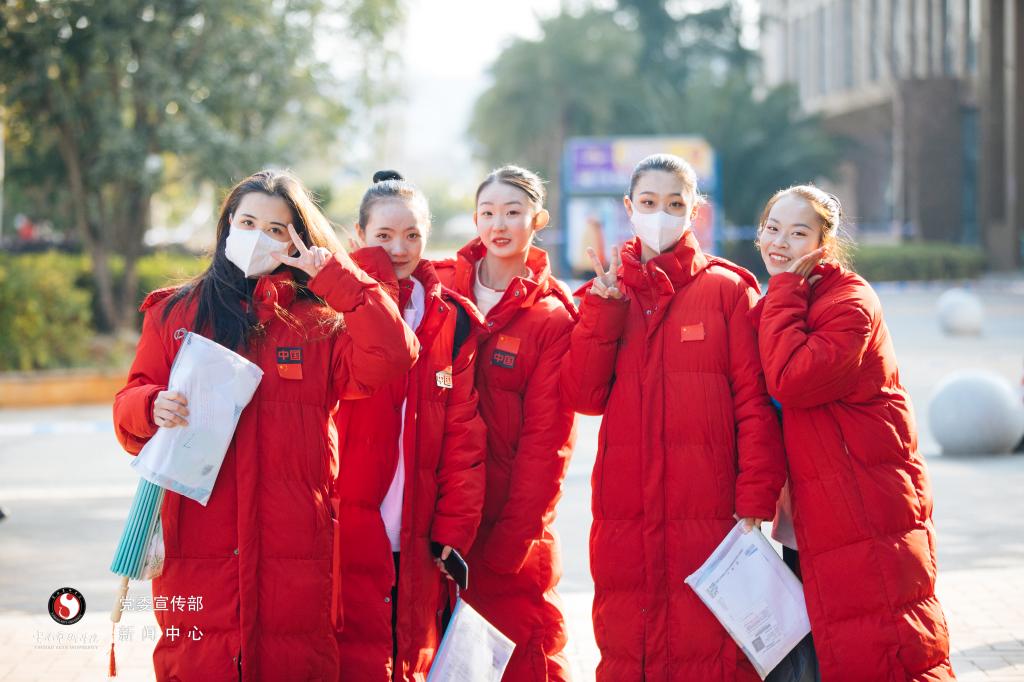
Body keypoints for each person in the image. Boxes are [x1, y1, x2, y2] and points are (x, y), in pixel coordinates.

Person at [112, 169, 419, 681]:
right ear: (228, 225)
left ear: (297, 240)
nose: (259, 237)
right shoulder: (177, 312)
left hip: (293, 548)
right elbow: (128, 406)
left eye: (276, 229)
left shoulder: (320, 322)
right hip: (198, 544)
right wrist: (149, 405)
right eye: (248, 222)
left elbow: (393, 355)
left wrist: (337, 279)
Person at [561, 153, 786, 681]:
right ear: (628, 207)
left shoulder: (728, 290)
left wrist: (756, 497)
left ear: (694, 210)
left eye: (674, 203)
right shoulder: (606, 291)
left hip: (710, 507)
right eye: (648, 202)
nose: (660, 214)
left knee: (711, 648)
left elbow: (754, 404)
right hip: (626, 506)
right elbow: (584, 395)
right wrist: (603, 310)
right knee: (628, 640)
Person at [750, 185, 956, 681]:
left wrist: (784, 291)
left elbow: (792, 381)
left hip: (861, 509)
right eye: (772, 228)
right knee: (831, 649)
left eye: (798, 233)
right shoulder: (784, 299)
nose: (780, 242)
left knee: (881, 647)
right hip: (816, 511)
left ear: (824, 242)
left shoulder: (849, 301)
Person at [333, 171, 487, 681]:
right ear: (359, 234)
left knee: (409, 655)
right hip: (344, 525)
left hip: (417, 529)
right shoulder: (331, 308)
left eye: (412, 235)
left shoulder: (451, 319)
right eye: (384, 235)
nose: (399, 249)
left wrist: (453, 529)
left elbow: (464, 435)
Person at [435, 165, 577, 680]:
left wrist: (512, 543)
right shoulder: (440, 289)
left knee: (525, 657)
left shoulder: (552, 317)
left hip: (506, 533)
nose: (499, 224)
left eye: (513, 212)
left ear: (537, 219)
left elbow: (548, 444)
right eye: (488, 212)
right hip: (438, 516)